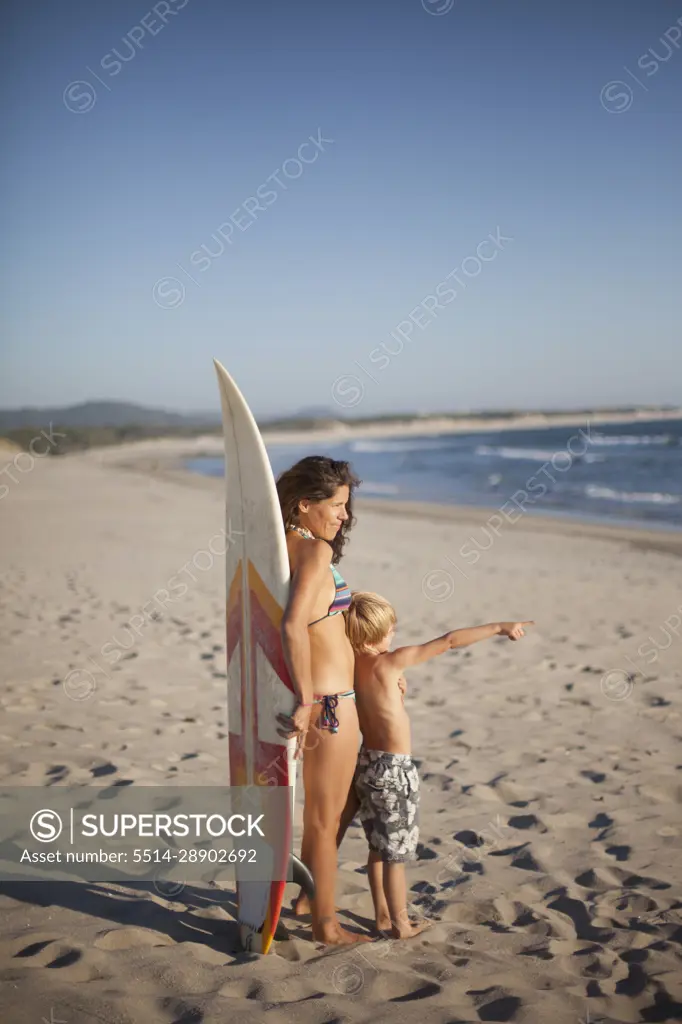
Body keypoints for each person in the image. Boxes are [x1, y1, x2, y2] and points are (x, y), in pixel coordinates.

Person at [339, 591, 534, 939]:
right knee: (395, 854)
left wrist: (398, 694)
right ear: (376, 634)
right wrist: (498, 627)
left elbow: (377, 704)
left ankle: (382, 917)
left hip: (367, 764)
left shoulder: (353, 668)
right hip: (394, 770)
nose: (393, 637)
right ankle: (401, 925)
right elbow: (448, 641)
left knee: (377, 848)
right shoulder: (390, 663)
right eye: (390, 631)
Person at [274, 456, 372, 946]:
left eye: (346, 507)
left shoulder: (283, 548)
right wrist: (308, 699)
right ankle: (327, 926)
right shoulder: (314, 554)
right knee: (324, 816)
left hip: (330, 700)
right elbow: (293, 625)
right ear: (304, 504)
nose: (344, 516)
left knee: (332, 808)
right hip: (331, 703)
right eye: (336, 506)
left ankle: (310, 899)